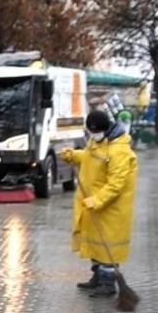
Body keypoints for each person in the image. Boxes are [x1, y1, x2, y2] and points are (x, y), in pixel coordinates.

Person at [60, 110, 138, 298]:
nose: (92, 134)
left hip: (110, 208)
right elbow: (89, 157)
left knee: (107, 246)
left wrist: (97, 200)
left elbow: (116, 184)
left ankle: (108, 284)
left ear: (106, 128)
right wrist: (74, 156)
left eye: (95, 131)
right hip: (93, 204)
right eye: (90, 131)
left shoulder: (119, 151)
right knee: (96, 245)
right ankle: (98, 277)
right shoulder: (98, 141)